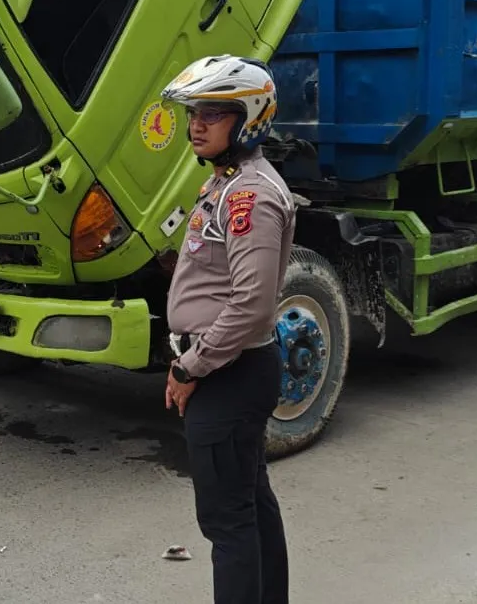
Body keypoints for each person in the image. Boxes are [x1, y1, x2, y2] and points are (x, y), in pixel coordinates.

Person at [160, 55, 294, 604]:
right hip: (228, 370)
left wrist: (188, 367)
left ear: (249, 119)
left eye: (214, 113)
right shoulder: (227, 182)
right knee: (250, 503)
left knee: (228, 522)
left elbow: (252, 305)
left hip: (228, 372)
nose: (197, 124)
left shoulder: (249, 196)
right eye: (194, 111)